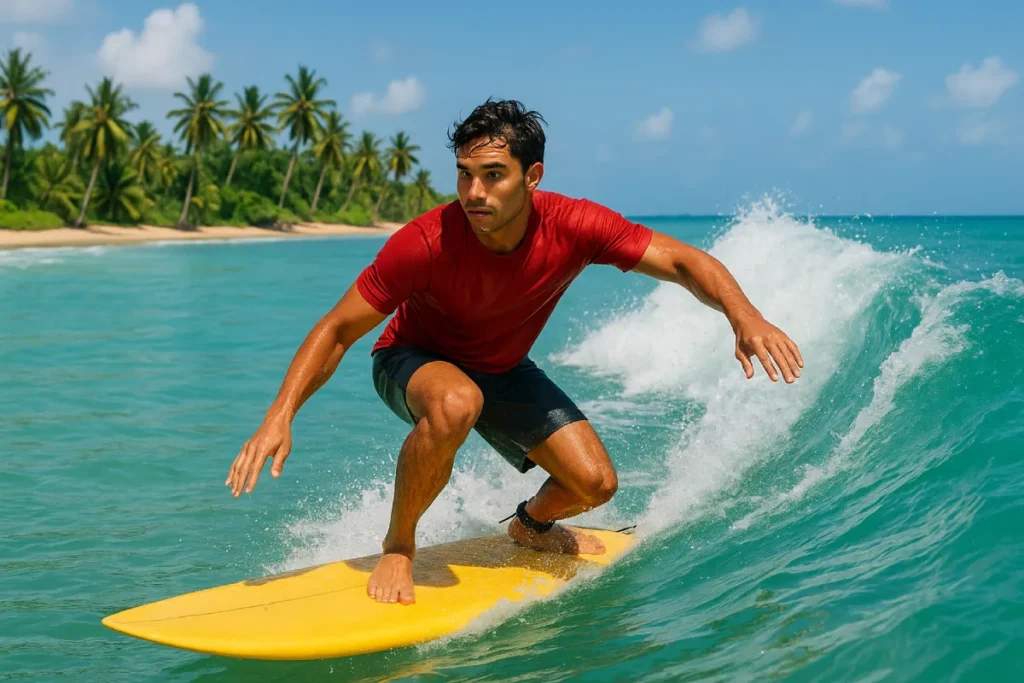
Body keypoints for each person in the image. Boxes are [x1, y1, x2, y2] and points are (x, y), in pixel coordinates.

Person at [226, 99, 803, 606]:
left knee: (595, 485)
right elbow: (336, 329)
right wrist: (281, 414)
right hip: (410, 357)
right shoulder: (425, 242)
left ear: (532, 177)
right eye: (464, 174)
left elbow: (682, 260)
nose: (474, 192)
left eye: (493, 175)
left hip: (501, 369)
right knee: (456, 401)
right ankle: (399, 543)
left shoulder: (575, 224)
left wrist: (743, 316)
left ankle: (529, 526)